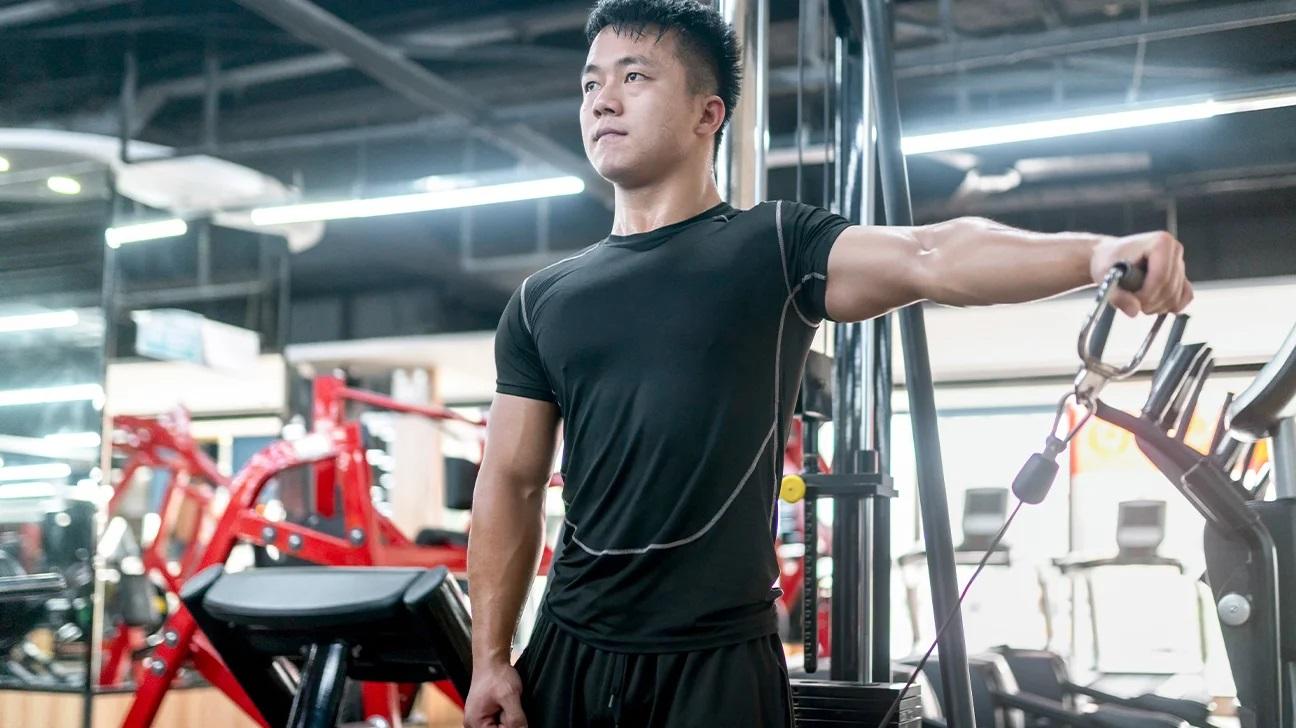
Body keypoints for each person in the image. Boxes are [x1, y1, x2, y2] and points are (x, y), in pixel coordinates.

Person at [463, 1, 1194, 726]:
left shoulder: (773, 245)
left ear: (707, 114)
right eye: (591, 83)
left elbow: (930, 254)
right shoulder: (541, 300)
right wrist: (490, 659)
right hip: (569, 653)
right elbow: (511, 481)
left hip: (716, 663)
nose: (602, 100)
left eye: (634, 77)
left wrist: (1096, 255)